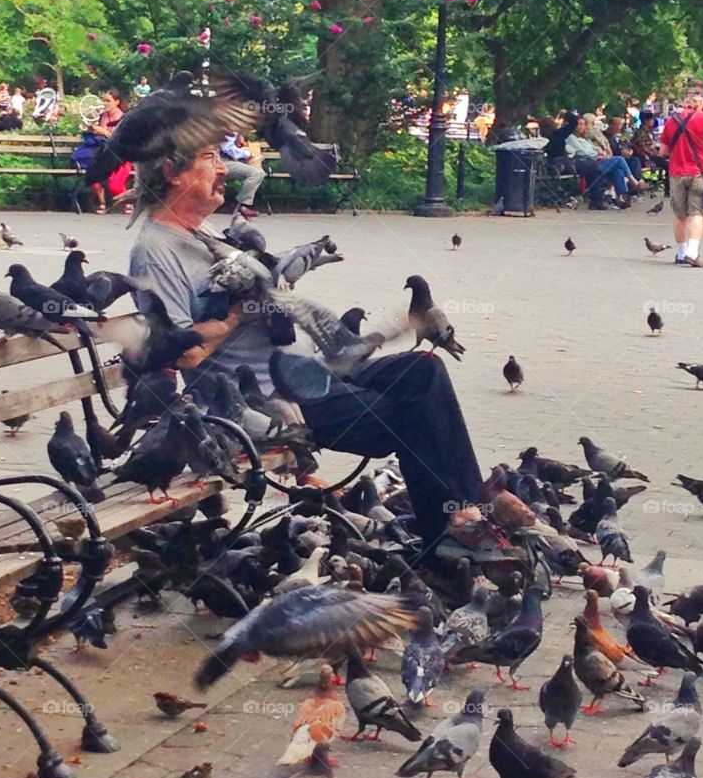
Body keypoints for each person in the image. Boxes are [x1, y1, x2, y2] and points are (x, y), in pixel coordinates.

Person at [128, 144, 485, 553]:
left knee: (423, 370)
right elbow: (182, 353)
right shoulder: (156, 252)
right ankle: (450, 533)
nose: (223, 167)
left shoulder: (203, 231)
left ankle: (460, 517)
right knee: (411, 415)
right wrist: (237, 317)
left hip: (306, 372)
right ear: (173, 171)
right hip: (264, 398)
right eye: (209, 157)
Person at [658, 88, 703, 267]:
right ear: (701, 102)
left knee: (680, 214)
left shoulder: (672, 120)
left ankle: (680, 254)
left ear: (685, 101)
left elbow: (663, 150)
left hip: (676, 172)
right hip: (699, 171)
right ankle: (692, 253)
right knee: (697, 212)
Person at [80, 89, 132, 213]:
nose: (105, 103)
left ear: (117, 102)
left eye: (108, 101)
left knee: (115, 184)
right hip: (103, 153)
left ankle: (128, 202)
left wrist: (105, 132)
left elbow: (122, 141)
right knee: (93, 175)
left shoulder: (124, 119)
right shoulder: (102, 116)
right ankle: (102, 203)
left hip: (120, 156)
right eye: (103, 100)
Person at [220, 131, 265, 217]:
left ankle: (242, 204)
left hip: (229, 160)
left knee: (259, 172)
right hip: (221, 162)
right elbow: (228, 149)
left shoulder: (234, 129)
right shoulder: (229, 128)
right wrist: (248, 154)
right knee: (256, 173)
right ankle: (242, 205)